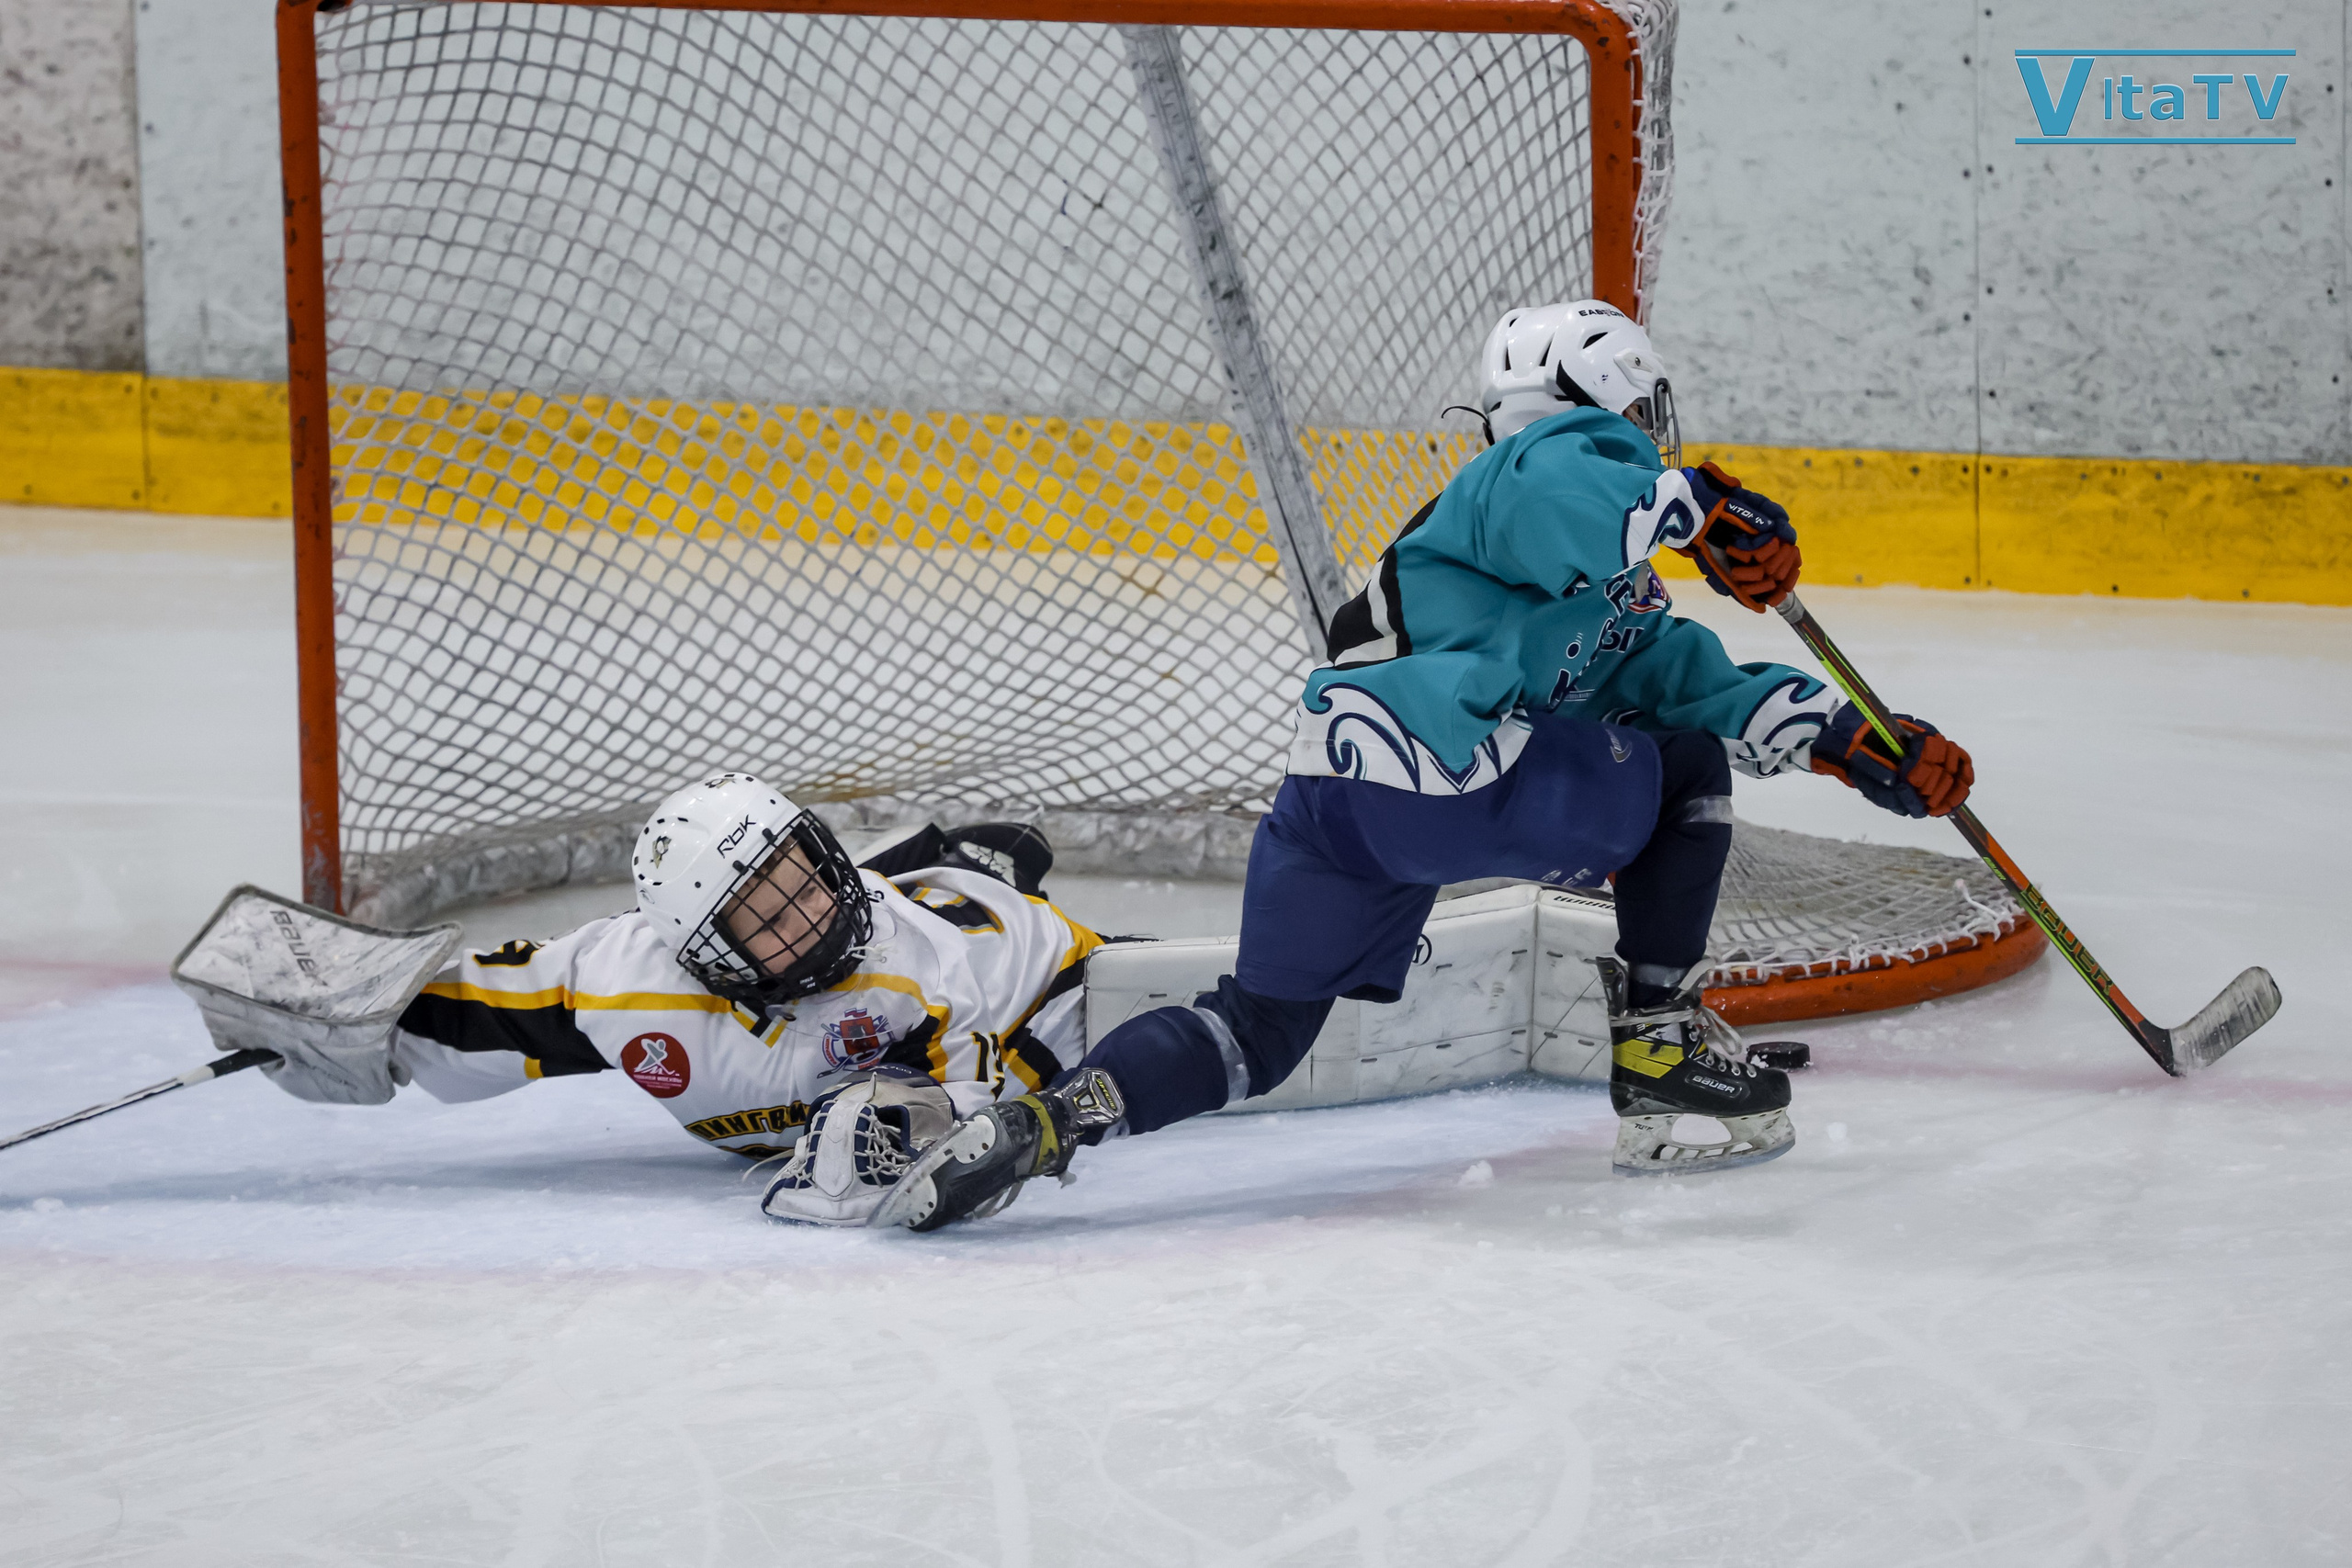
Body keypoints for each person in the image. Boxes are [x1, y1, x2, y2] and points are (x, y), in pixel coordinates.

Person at [878, 299, 1976, 1231]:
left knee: (1256, 1030)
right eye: (1638, 414)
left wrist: (1847, 739)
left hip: (1337, 800)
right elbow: (1581, 508)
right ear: (1607, 396)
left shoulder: (1585, 583)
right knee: (1681, 762)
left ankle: (1043, 1124)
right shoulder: (1536, 470)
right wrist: (1695, 504)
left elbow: (1693, 679)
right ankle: (1656, 1037)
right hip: (1457, 771)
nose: (1648, 434)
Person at [259, 771, 1112, 1225]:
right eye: (770, 914)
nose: (816, 910)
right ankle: (949, 859)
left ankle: (970, 871)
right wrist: (345, 1027)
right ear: (708, 953)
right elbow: (476, 1004)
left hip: (1024, 965)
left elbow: (964, 1144)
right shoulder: (624, 979)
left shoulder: (915, 980)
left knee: (1043, 1055)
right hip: (912, 935)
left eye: (809, 877)